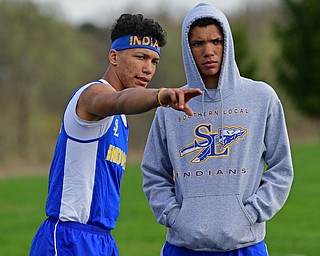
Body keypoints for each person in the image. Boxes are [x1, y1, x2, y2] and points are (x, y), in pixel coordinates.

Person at [29, 13, 202, 256]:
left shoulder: (122, 120)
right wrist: (160, 96)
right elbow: (118, 100)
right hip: (69, 238)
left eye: (154, 61)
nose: (148, 69)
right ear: (114, 56)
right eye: (140, 57)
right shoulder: (91, 96)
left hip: (103, 240)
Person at [141, 3, 294, 256]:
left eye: (216, 41)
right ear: (187, 49)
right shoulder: (170, 106)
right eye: (198, 43)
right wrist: (173, 216)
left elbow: (281, 168)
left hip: (245, 244)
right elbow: (154, 172)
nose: (208, 51)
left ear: (228, 43)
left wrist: (253, 212)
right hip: (184, 246)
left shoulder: (261, 98)